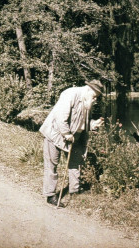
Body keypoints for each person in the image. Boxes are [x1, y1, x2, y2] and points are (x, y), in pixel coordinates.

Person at [39, 79, 104, 207]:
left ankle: (75, 190)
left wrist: (92, 124)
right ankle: (50, 195)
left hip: (73, 136)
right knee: (52, 164)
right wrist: (66, 134)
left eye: (97, 97)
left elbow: (81, 122)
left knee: (76, 161)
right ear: (88, 89)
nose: (95, 99)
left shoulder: (87, 102)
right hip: (55, 133)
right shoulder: (70, 94)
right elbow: (60, 117)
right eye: (95, 96)